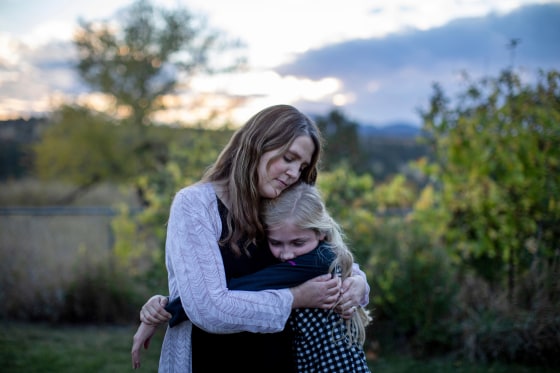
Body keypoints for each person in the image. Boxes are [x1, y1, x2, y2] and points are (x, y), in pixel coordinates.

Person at [130, 104, 370, 372]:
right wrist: (295, 298)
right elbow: (210, 308)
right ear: (257, 144)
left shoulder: (279, 205)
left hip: (280, 361)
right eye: (288, 158)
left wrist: (358, 283)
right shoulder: (195, 206)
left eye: (302, 167)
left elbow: (319, 257)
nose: (294, 173)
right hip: (211, 359)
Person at [135, 183, 372, 372]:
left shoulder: (318, 261)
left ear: (321, 233)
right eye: (276, 243)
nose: (287, 253)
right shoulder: (315, 255)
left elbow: (246, 286)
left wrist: (171, 308)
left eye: (298, 242)